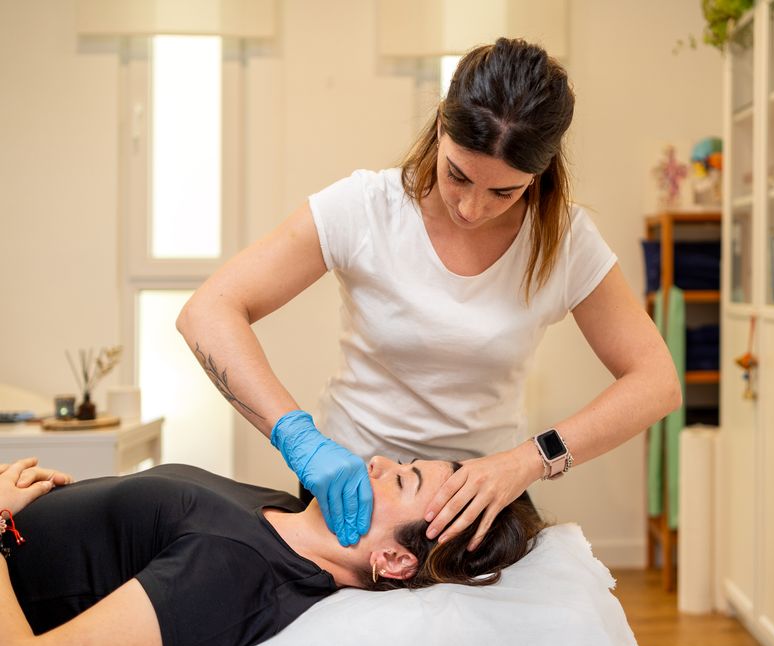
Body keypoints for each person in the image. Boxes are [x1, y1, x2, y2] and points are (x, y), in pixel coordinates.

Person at [176, 37, 681, 552]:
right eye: (457, 175)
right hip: (353, 490)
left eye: (503, 192)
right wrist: (299, 440)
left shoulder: (564, 242)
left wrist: (528, 460)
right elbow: (208, 311)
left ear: (540, 172)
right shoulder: (365, 208)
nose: (469, 207)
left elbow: (657, 381)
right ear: (441, 126)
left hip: (486, 496)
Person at [0, 457, 544, 646]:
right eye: (402, 462)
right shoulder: (280, 508)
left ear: (394, 560)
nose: (376, 463)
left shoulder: (236, 573)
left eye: (401, 481)